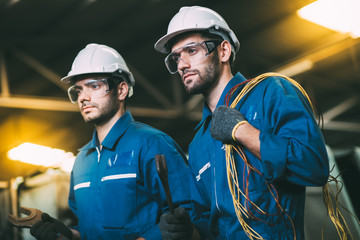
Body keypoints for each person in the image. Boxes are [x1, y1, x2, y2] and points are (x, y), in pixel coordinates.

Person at [154, 6, 330, 239]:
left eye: (191, 51)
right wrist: (189, 232)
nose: (182, 65)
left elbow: (314, 167)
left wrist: (243, 131)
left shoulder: (270, 93)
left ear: (224, 50)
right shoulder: (198, 145)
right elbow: (210, 223)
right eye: (176, 57)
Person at [29, 43, 199, 240]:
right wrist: (64, 234)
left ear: (121, 90)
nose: (83, 97)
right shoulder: (82, 159)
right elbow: (88, 230)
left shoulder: (152, 144)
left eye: (94, 86)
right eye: (78, 90)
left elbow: (186, 216)